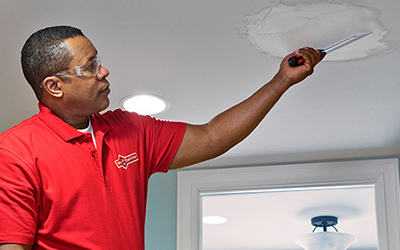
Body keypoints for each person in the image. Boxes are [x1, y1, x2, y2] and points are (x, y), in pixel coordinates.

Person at [0, 26, 324, 250]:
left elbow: (212, 137)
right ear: (54, 86)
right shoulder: (16, 151)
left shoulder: (131, 129)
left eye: (98, 60)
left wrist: (282, 80)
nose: (104, 71)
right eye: (90, 66)